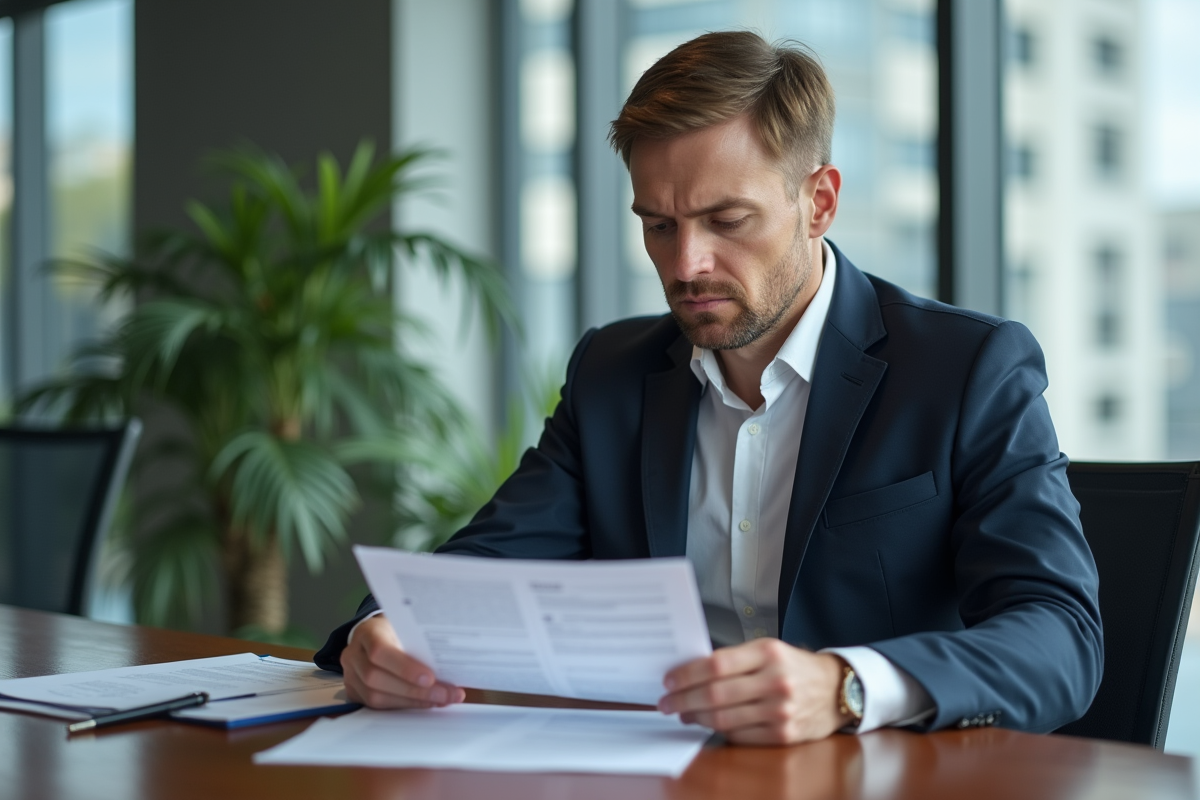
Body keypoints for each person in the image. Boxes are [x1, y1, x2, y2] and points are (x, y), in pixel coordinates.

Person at [316, 30, 1102, 745]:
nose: (686, 265)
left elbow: (1061, 637)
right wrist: (385, 633)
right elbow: (481, 568)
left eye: (727, 220)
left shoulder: (966, 369)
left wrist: (848, 687)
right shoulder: (612, 375)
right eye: (659, 225)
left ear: (818, 201)